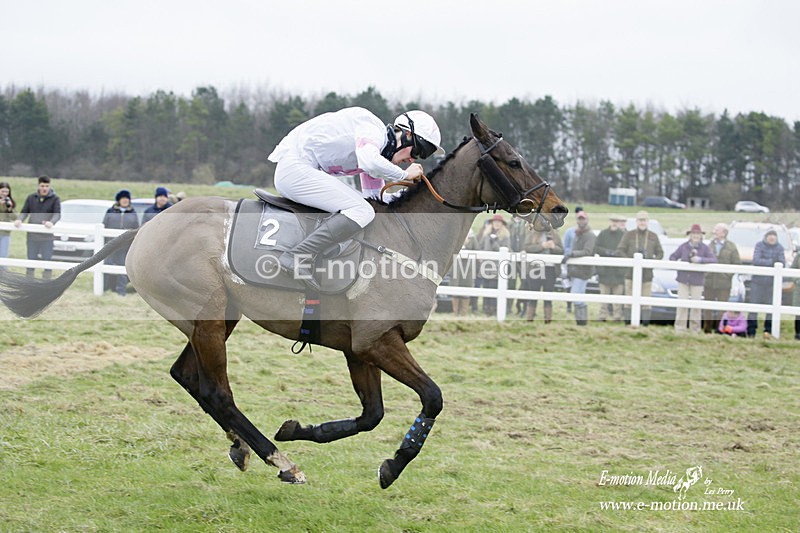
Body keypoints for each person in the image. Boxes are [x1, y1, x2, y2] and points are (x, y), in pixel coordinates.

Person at [267, 107, 444, 290]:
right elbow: (370, 161)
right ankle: (296, 256)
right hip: (294, 168)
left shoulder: (377, 153)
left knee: (365, 209)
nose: (413, 160)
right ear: (406, 134)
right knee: (361, 210)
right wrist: (404, 176)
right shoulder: (372, 130)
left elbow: (375, 199)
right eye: (418, 152)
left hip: (302, 170)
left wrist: (414, 195)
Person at [616, 210, 664, 326]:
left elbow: (660, 253)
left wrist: (651, 262)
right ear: (636, 221)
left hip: (647, 275)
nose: (642, 223)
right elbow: (620, 250)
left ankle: (645, 324)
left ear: (648, 222)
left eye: (644, 220)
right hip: (630, 274)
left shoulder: (653, 236)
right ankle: (628, 323)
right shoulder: (629, 235)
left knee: (646, 300)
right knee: (629, 299)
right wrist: (630, 260)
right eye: (640, 220)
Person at [669, 224, 717, 333]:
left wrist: (700, 260)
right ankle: (680, 328)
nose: (695, 236)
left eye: (698, 234)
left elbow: (713, 259)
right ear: (690, 235)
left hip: (697, 280)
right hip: (683, 279)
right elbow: (673, 257)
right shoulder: (683, 246)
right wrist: (679, 265)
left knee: (696, 305)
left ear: (701, 236)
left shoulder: (705, 248)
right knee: (682, 304)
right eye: (693, 234)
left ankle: (694, 329)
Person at [14, 176, 61, 278]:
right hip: (32, 236)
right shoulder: (31, 198)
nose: (44, 188)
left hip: (47, 237)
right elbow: (24, 212)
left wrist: (51, 222)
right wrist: (19, 220)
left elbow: (57, 214)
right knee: (31, 259)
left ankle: (46, 282)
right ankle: (29, 281)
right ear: (38, 186)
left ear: (50, 186)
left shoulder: (55, 199)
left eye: (47, 186)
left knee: (47, 260)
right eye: (42, 186)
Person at [702, 223, 741, 333]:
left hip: (724, 283)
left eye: (717, 230)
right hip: (709, 281)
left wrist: (727, 275)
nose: (714, 232)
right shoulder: (709, 245)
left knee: (722, 309)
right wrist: (706, 274)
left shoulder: (731, 247)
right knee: (707, 307)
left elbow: (737, 263)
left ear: (724, 233)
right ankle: (707, 330)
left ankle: (720, 330)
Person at [747, 229, 785, 337]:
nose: (772, 238)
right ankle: (751, 331)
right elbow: (756, 261)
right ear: (766, 237)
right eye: (770, 236)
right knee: (753, 307)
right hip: (758, 282)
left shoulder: (780, 248)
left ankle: (768, 331)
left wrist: (769, 262)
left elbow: (782, 263)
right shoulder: (759, 245)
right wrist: (771, 262)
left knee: (772, 308)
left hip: (772, 283)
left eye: (774, 236)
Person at [522, 224, 563, 323]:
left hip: (550, 269)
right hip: (535, 268)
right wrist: (542, 246)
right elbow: (527, 248)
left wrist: (553, 247)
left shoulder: (555, 234)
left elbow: (561, 250)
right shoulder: (532, 233)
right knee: (533, 294)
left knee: (548, 294)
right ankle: (529, 319)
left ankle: (548, 319)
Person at [102, 189, 140, 296]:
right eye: (123, 199)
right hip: (111, 244)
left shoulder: (133, 213)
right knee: (107, 266)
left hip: (125, 246)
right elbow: (105, 225)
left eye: (127, 199)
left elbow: (136, 228)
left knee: (122, 268)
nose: (125, 201)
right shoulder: (110, 211)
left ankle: (121, 290)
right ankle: (105, 288)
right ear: (119, 200)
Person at [562, 210, 596, 326]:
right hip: (575, 270)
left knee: (576, 295)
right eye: (579, 219)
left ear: (587, 220)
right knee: (578, 295)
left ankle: (582, 321)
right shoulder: (577, 233)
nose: (581, 221)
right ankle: (581, 323)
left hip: (583, 271)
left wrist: (571, 254)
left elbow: (587, 251)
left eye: (583, 219)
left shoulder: (590, 235)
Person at [594, 215, 627, 322]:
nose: (614, 223)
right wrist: (606, 252)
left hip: (618, 271)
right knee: (604, 295)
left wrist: (617, 253)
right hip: (605, 271)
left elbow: (626, 250)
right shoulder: (603, 234)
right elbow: (596, 247)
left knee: (618, 297)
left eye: (616, 221)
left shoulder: (623, 235)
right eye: (613, 221)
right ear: (609, 222)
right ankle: (602, 316)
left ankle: (617, 316)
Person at [476, 214, 510, 316]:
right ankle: (486, 308)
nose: (496, 224)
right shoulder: (486, 234)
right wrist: (480, 255)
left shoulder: (505, 236)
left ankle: (493, 308)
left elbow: (505, 249)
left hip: (497, 266)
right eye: (495, 222)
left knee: (494, 286)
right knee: (486, 286)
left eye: (498, 222)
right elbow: (480, 245)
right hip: (486, 266)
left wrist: (494, 242)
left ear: (502, 224)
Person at [450, 230, 478, 317]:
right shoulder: (457, 233)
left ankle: (463, 313)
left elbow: (476, 249)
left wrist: (466, 245)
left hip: (468, 266)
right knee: (455, 286)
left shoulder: (472, 237)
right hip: (456, 265)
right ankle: (455, 313)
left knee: (466, 286)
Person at [561, 205, 583, 313]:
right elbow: (565, 246)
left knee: (577, 285)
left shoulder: (586, 232)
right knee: (568, 285)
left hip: (579, 263)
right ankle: (568, 306)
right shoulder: (570, 232)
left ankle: (577, 307)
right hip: (569, 262)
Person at [0, 182, 16, 258]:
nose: (4, 194)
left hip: (5, 232)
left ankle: (2, 269)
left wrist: (10, 209)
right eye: (2, 191)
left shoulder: (10, 202)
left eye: (6, 191)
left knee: (3, 253)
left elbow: (14, 217)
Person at [791, 251, 800, 340]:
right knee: (798, 312)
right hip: (799, 288)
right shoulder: (798, 256)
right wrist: (796, 280)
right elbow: (792, 269)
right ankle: (798, 333)